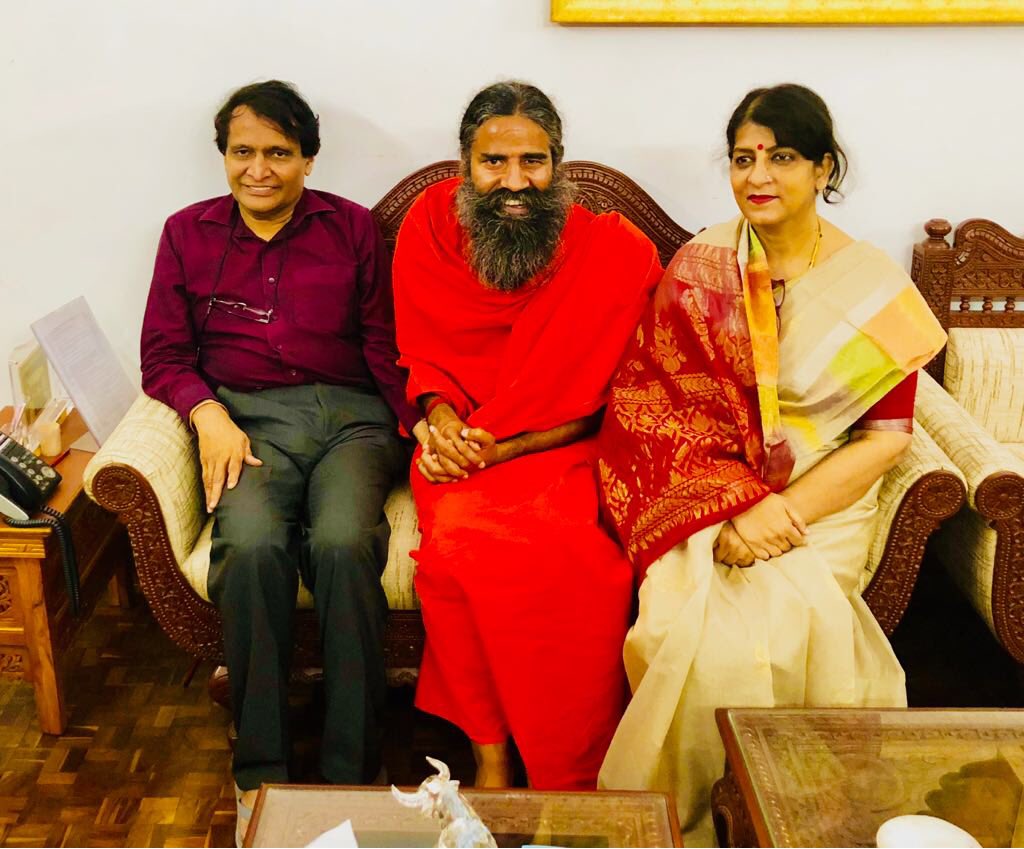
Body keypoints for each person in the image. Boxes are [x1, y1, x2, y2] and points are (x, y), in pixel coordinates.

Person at [596, 83, 947, 845]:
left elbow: (884, 438)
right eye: (743, 157)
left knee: (786, 629)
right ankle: (681, 826)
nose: (758, 175)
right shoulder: (700, 265)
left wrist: (778, 511)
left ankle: (790, 822)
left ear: (823, 168)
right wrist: (733, 502)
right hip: (702, 485)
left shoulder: (873, 289)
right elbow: (651, 408)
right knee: (678, 629)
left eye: (781, 157)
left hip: (821, 495)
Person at [139, 80, 425, 843]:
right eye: (243, 151)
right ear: (223, 155)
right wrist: (207, 412)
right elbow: (163, 355)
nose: (258, 169)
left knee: (342, 543)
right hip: (245, 421)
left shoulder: (354, 228)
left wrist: (421, 425)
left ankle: (352, 774)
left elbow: (383, 345)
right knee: (254, 546)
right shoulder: (186, 234)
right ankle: (260, 776)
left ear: (308, 159)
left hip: (351, 422)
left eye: (278, 152)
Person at [391, 81, 663, 790]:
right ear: (465, 164)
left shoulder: (610, 251)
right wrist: (442, 424)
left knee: (574, 557)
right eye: (494, 162)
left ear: (558, 165)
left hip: (563, 450)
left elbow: (611, 400)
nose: (514, 182)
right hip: (456, 452)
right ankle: (490, 755)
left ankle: (569, 771)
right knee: (451, 550)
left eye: (532, 162)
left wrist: (506, 447)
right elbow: (422, 359)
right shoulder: (428, 226)